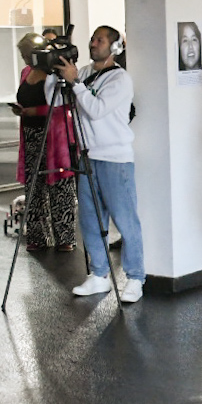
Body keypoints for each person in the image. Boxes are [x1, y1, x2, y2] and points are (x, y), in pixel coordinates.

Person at [52, 25, 144, 303]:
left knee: (125, 221)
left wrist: (76, 83)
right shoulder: (82, 73)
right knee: (90, 220)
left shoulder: (120, 79)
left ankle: (135, 277)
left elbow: (96, 110)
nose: (93, 43)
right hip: (88, 156)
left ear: (114, 47)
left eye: (100, 40)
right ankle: (99, 274)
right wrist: (54, 73)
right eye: (92, 39)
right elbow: (54, 99)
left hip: (115, 159)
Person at [12, 32, 78, 253]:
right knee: (34, 187)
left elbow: (62, 105)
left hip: (54, 137)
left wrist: (34, 111)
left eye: (27, 54)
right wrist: (22, 111)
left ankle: (64, 237)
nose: (25, 59)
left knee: (60, 186)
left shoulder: (53, 74)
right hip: (31, 135)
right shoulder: (26, 72)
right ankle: (38, 236)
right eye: (22, 55)